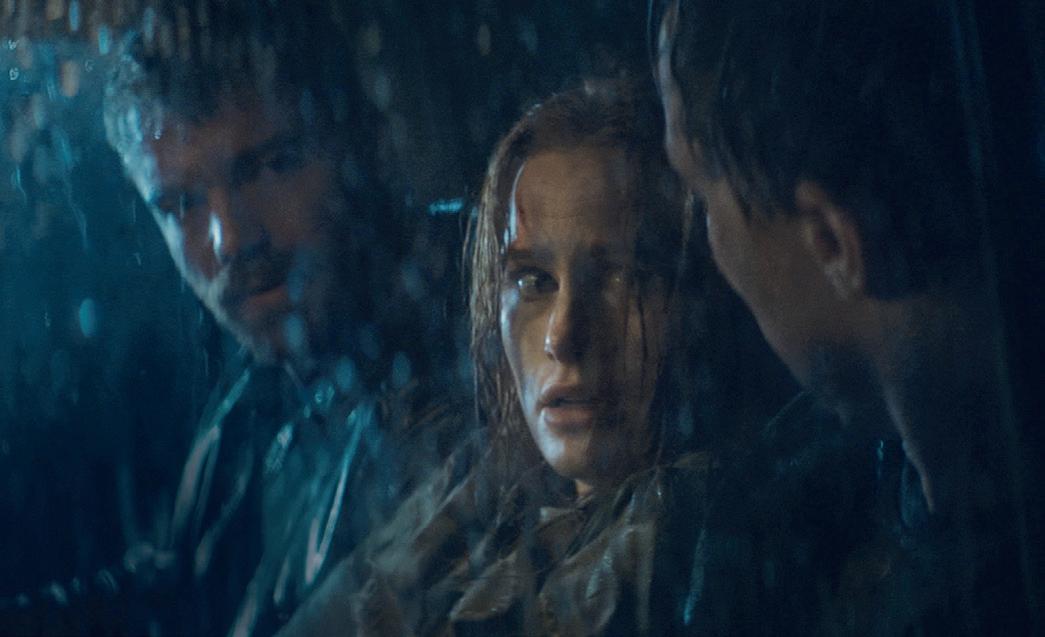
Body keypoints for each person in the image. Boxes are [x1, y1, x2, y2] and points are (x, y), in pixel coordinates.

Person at [1, 3, 468, 635]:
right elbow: (181, 591)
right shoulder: (258, 397)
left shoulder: (490, 353)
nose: (231, 240)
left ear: (360, 143)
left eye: (271, 166)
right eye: (181, 204)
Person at [277, 79, 727, 636]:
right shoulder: (471, 497)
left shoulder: (706, 543)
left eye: (622, 278)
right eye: (534, 281)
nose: (562, 336)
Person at [655, 0, 1039, 632]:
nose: (708, 249)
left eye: (702, 195)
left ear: (832, 241)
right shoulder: (801, 499)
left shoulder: (791, 549)